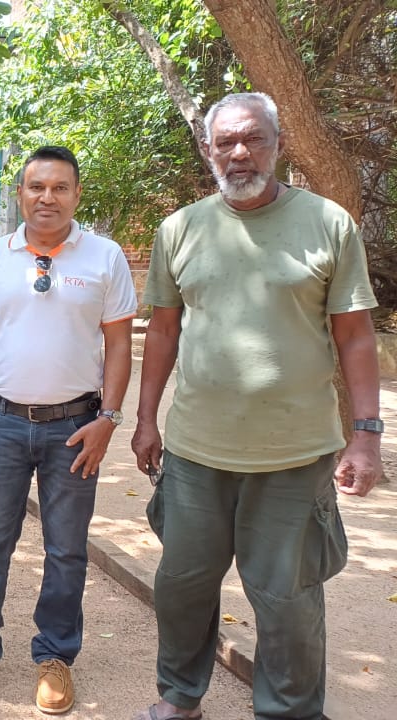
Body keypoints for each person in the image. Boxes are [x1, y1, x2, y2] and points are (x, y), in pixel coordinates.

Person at [131, 92, 381, 720]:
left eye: (254, 139)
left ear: (278, 143)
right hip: (195, 452)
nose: (239, 153)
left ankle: (290, 710)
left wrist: (367, 434)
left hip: (296, 454)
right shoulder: (180, 228)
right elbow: (162, 331)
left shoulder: (328, 224)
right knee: (183, 586)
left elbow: (355, 335)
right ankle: (180, 695)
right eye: (226, 142)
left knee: (288, 597)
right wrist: (142, 420)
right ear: (209, 149)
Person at [0, 146, 137, 715]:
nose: (46, 197)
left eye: (59, 188)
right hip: (1, 422)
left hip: (76, 427)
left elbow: (120, 344)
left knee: (67, 549)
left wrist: (111, 418)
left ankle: (55, 656)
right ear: (20, 193)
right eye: (36, 187)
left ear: (76, 194)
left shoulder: (104, 257)